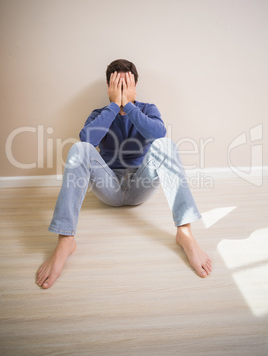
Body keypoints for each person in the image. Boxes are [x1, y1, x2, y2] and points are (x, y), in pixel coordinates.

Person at [37, 59, 212, 289]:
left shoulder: (147, 109)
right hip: (109, 187)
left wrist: (129, 105)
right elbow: (87, 140)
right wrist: (113, 106)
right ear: (108, 88)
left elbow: (158, 134)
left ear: (134, 87)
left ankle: (185, 233)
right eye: (116, 85)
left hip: (140, 185)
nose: (121, 90)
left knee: (165, 145)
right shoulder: (100, 113)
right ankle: (65, 239)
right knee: (79, 149)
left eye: (125, 85)